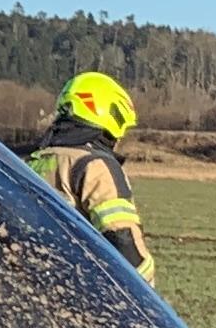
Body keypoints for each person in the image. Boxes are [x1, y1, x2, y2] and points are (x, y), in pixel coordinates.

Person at [30, 69, 158, 286]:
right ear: (112, 117)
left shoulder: (35, 160)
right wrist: (149, 299)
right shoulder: (95, 166)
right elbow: (122, 237)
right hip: (77, 290)